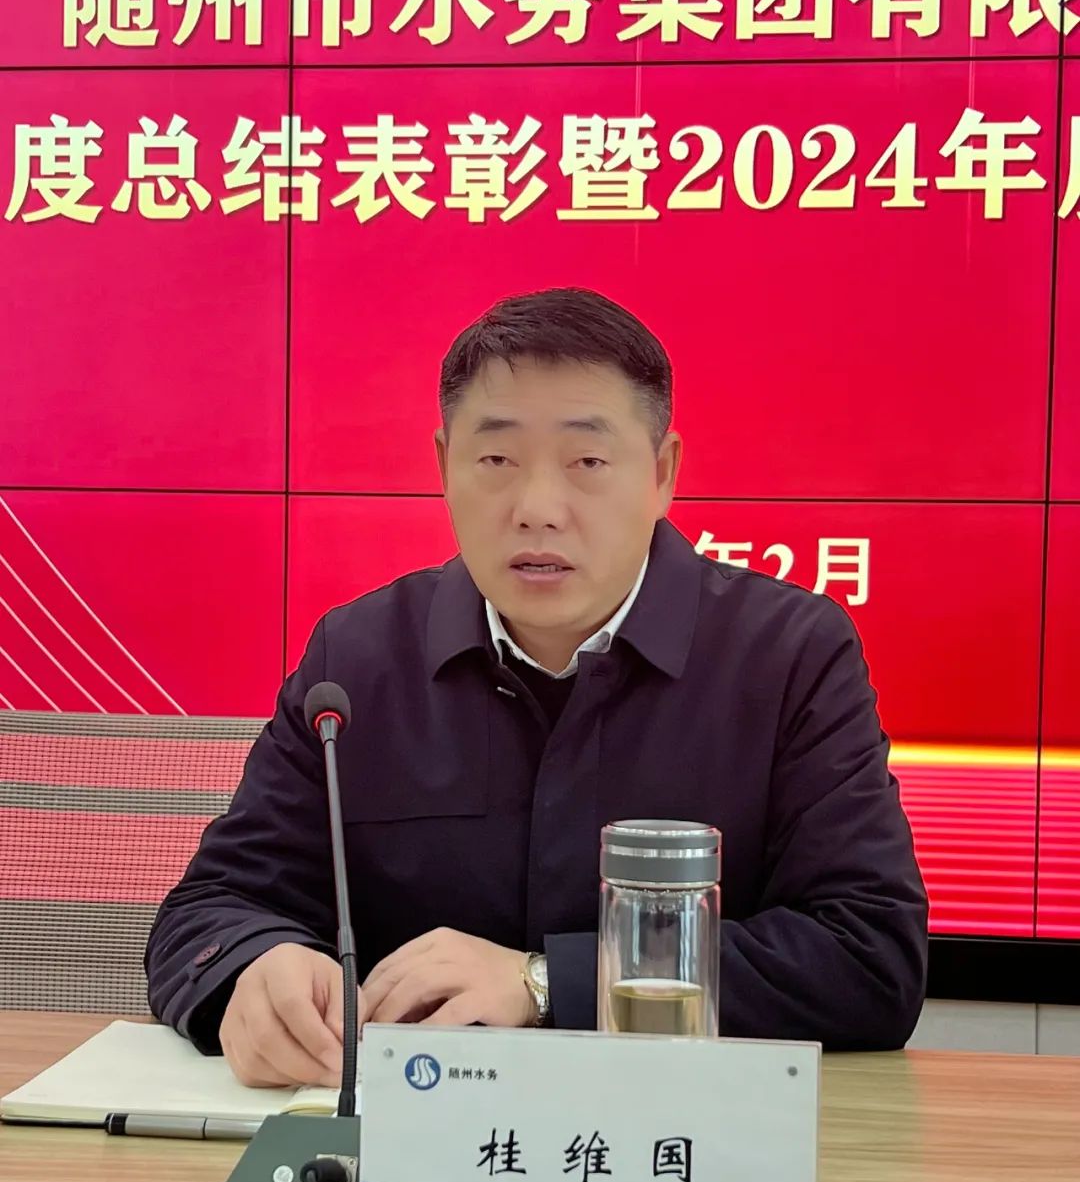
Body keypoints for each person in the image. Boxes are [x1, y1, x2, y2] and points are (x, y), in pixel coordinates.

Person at [146, 287, 928, 1088]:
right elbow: (211, 911)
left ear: (661, 473)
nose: (538, 509)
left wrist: (547, 983)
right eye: (496, 462)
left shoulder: (788, 655)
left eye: (587, 462)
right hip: (415, 1131)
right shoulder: (358, 659)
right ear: (443, 466)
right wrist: (256, 968)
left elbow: (868, 958)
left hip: (686, 1132)